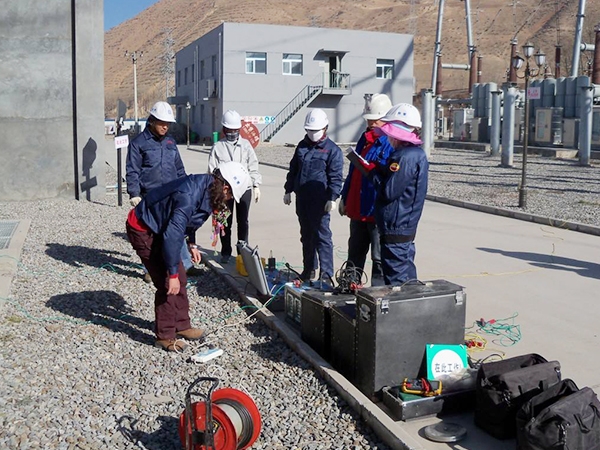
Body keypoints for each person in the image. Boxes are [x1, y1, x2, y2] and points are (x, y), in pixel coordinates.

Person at [125, 162, 251, 352]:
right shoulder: (189, 195)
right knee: (168, 283)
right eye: (231, 195)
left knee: (180, 279)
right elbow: (172, 235)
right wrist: (172, 274)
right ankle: (165, 335)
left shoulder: (209, 190)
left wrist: (191, 244)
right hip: (143, 228)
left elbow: (188, 222)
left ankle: (182, 325)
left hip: (161, 227)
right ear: (225, 187)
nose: (229, 200)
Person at [125, 101, 199, 280]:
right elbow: (132, 170)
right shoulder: (138, 143)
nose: (165, 126)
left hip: (172, 194)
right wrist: (134, 194)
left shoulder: (170, 142)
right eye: (162, 123)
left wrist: (187, 186)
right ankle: (150, 269)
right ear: (151, 121)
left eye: (168, 123)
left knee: (176, 229)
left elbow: (179, 168)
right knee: (151, 234)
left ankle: (186, 264)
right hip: (149, 196)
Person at [366, 103, 428, 285]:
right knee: (407, 279)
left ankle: (404, 313)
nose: (389, 139)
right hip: (402, 226)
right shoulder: (412, 155)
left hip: (397, 226)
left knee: (397, 282)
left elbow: (389, 192)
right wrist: (383, 169)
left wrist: (372, 173)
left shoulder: (404, 157)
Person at [339, 93, 393, 286]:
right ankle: (349, 287)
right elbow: (354, 169)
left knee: (378, 259)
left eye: (375, 121)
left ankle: (377, 299)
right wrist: (344, 197)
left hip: (376, 212)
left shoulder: (391, 143)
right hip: (358, 210)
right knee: (354, 253)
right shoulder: (365, 138)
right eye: (369, 120)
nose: (370, 124)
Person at [283, 109, 343, 282]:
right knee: (306, 236)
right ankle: (309, 269)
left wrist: (332, 198)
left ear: (325, 128)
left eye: (315, 131)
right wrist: (288, 190)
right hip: (302, 199)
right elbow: (293, 169)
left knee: (322, 236)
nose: (312, 134)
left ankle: (326, 274)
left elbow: (336, 177)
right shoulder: (302, 146)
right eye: (309, 130)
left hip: (320, 201)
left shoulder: (332, 151)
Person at [208, 110, 262, 264]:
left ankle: (242, 251)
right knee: (225, 221)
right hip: (225, 192)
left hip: (244, 189)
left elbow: (253, 165)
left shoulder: (246, 146)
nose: (232, 133)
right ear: (224, 129)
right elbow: (212, 170)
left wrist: (256, 185)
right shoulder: (218, 147)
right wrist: (216, 191)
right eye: (229, 130)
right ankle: (226, 252)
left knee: (243, 221)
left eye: (235, 130)